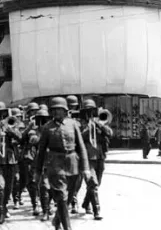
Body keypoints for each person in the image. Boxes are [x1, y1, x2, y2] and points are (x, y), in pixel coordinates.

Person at [35, 97, 90, 230]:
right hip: (55, 164)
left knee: (70, 196)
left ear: (65, 111)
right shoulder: (47, 128)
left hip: (73, 163)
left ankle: (57, 219)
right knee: (61, 196)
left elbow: (81, 147)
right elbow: (41, 151)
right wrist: (38, 171)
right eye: (53, 110)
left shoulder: (73, 124)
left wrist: (86, 168)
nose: (55, 112)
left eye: (58, 109)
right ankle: (67, 227)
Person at [79, 99, 112, 220]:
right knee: (93, 183)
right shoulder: (80, 123)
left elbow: (110, 133)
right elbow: (80, 137)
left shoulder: (101, 123)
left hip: (100, 157)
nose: (91, 113)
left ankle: (86, 203)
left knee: (97, 183)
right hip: (87, 158)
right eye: (88, 111)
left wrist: (99, 124)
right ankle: (96, 210)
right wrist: (89, 126)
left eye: (92, 111)